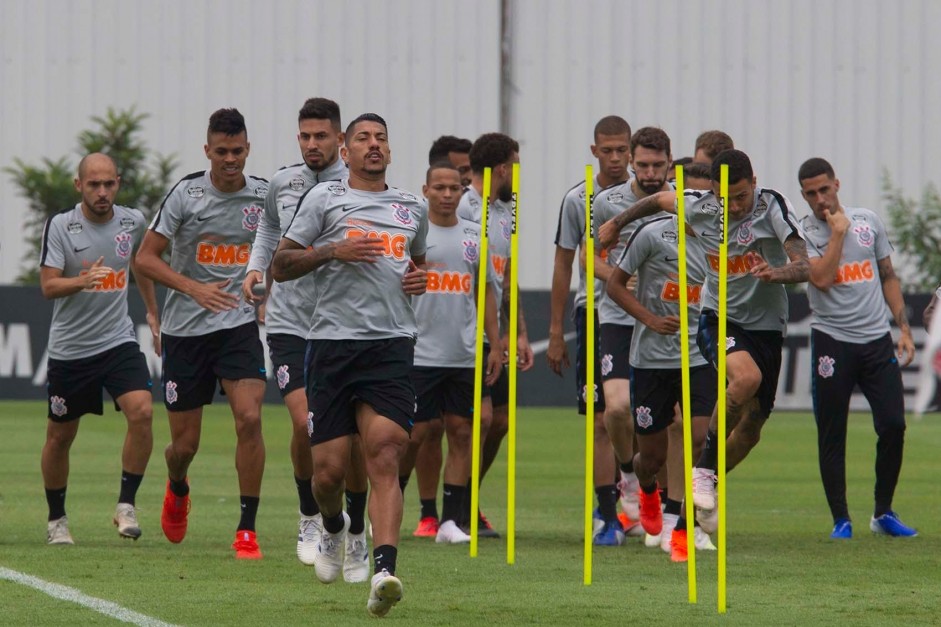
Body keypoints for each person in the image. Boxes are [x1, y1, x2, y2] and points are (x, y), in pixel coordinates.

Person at [599, 149, 809, 533]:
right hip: (718, 318)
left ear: (754, 183)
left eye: (742, 196)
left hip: (765, 327)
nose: (735, 206)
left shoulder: (772, 206)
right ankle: (701, 477)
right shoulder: (701, 206)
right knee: (745, 380)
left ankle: (705, 477)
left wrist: (776, 272)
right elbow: (657, 200)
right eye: (726, 199)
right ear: (713, 190)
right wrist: (616, 222)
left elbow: (804, 265)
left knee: (751, 429)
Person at [272, 113, 428, 617]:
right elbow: (282, 264)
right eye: (363, 138)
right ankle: (335, 528)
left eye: (382, 137)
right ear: (345, 149)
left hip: (390, 346)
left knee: (385, 451)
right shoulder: (323, 200)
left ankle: (383, 569)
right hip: (332, 346)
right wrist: (333, 250)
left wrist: (418, 279)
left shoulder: (411, 206)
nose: (374, 145)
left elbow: (417, 263)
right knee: (328, 474)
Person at [240, 98, 369, 575]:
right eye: (305, 136)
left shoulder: (357, 185)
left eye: (321, 136)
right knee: (303, 424)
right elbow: (269, 230)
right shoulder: (283, 181)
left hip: (343, 323)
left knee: (351, 439)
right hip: (291, 321)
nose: (312, 144)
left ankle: (356, 527)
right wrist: (256, 269)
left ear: (339, 139)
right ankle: (310, 515)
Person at [136, 108, 268, 559]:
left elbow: (285, 249)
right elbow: (145, 259)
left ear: (248, 149)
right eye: (221, 151)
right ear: (207, 150)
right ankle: (177, 486)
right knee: (184, 446)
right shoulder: (185, 194)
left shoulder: (265, 197)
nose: (230, 159)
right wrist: (194, 288)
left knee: (250, 418)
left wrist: (265, 288)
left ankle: (246, 528)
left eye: (237, 151)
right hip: (186, 332)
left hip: (237, 325)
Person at [39, 153, 159, 545]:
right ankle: (57, 519)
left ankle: (126, 505)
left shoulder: (133, 221)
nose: (102, 191)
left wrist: (153, 314)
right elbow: (48, 286)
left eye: (109, 184)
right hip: (71, 350)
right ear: (80, 186)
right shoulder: (61, 226)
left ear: (118, 183)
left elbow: (142, 265)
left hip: (117, 340)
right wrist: (82, 281)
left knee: (141, 411)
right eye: (94, 184)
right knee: (60, 436)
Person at [797, 157, 917, 538]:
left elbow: (887, 275)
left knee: (894, 425)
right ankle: (841, 519)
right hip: (832, 339)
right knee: (832, 432)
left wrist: (903, 328)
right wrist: (836, 233)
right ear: (804, 195)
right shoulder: (802, 233)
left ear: (837, 184)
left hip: (876, 340)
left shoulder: (869, 221)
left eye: (824, 189)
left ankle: (883, 512)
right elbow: (821, 279)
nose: (820, 198)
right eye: (811, 193)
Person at [401, 163, 502, 544]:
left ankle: (449, 521)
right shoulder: (412, 234)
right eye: (439, 188)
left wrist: (494, 344)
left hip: (463, 353)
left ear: (462, 191)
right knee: (416, 434)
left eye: (454, 188)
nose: (447, 195)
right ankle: (389, 501)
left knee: (463, 432)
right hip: (419, 351)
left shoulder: (476, 235)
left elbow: (486, 292)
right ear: (425, 190)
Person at [605, 212, 716, 560]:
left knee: (700, 437)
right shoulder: (651, 235)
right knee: (651, 457)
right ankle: (647, 489)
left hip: (698, 355)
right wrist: (650, 319)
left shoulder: (719, 234)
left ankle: (686, 524)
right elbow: (614, 285)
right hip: (651, 360)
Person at [548, 115, 632, 546]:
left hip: (648, 315)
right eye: (608, 150)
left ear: (632, 151)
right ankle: (606, 515)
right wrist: (557, 330)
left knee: (645, 417)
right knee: (601, 419)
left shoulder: (652, 194)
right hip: (596, 314)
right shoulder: (579, 199)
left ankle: (645, 493)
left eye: (623, 150)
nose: (616, 158)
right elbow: (566, 262)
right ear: (594, 151)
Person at [590, 126, 674, 545]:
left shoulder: (682, 202)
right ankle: (626, 474)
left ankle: (673, 508)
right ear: (631, 163)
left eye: (658, 164)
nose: (651, 172)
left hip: (669, 320)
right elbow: (592, 258)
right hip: (620, 316)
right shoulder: (608, 201)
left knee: (671, 421)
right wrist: (623, 278)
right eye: (643, 164)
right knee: (618, 408)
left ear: (670, 163)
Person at [456, 132, 534, 537]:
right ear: (503, 168)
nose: (518, 174)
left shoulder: (507, 211)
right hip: (464, 331)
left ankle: (467, 498)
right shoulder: (463, 208)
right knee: (474, 420)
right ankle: (451, 507)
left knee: (500, 421)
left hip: (495, 333)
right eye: (515, 166)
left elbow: (505, 276)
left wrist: (518, 331)